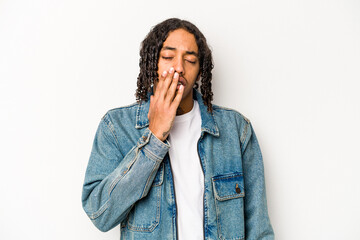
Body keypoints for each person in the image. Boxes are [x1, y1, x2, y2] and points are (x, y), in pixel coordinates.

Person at [82, 18, 274, 240]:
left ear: (201, 71)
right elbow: (100, 214)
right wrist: (154, 137)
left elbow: (259, 229)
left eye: (190, 60)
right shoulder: (116, 127)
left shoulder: (236, 130)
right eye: (168, 57)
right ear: (152, 63)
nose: (179, 67)